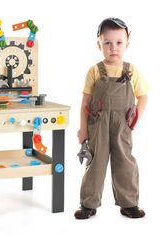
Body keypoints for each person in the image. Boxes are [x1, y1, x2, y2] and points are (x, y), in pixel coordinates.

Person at [74, 17, 148, 219]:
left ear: (127, 43)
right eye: (107, 43)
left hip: (123, 125)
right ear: (99, 44)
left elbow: (143, 97)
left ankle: (129, 203)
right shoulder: (94, 71)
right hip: (97, 125)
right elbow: (85, 104)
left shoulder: (131, 71)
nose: (113, 48)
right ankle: (88, 204)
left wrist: (135, 118)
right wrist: (82, 130)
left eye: (118, 43)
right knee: (95, 163)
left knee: (125, 162)